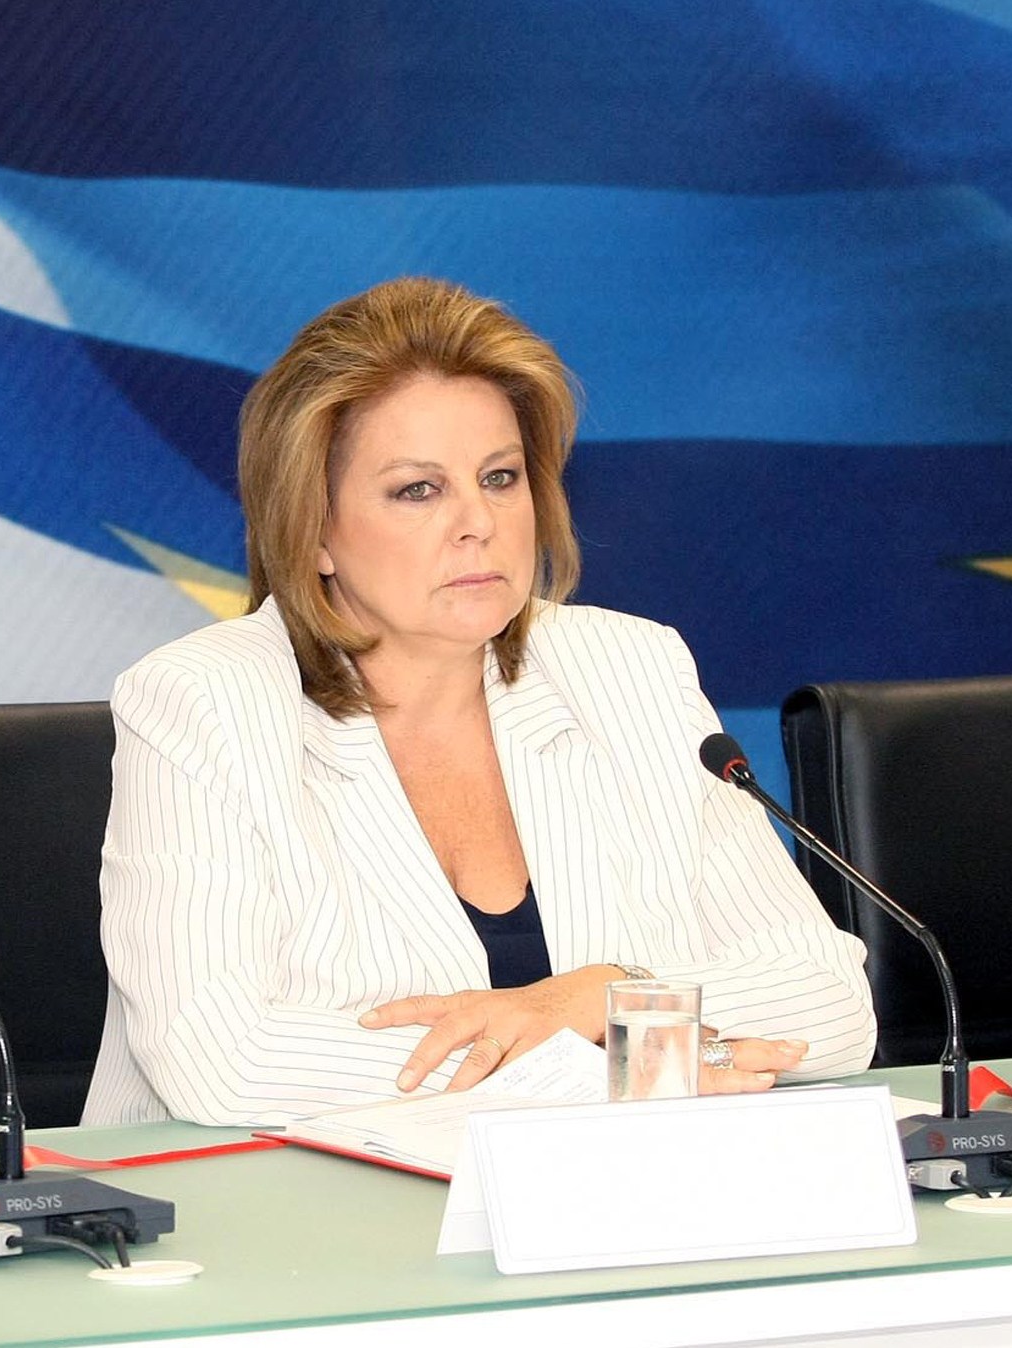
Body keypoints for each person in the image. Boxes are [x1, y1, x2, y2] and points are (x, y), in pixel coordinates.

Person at [82, 277, 875, 1127]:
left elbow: (829, 1005)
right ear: (312, 531)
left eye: (500, 477)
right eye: (417, 490)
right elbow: (219, 1059)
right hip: (261, 1201)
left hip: (604, 1195)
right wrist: (611, 1062)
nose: (479, 522)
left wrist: (604, 996)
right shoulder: (203, 702)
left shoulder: (630, 668)